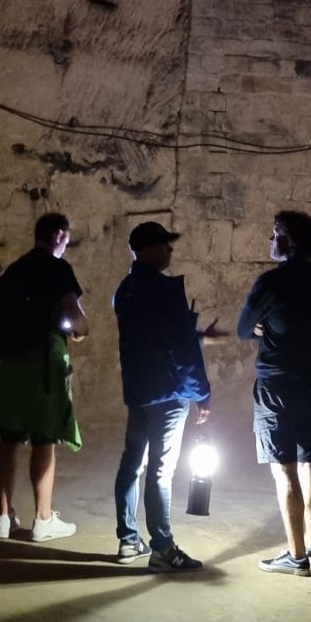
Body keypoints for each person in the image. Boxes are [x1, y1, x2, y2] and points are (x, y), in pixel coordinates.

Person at [113, 221, 214, 572]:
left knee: (132, 464)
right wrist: (202, 393)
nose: (170, 251)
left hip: (139, 391)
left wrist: (190, 331)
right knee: (160, 471)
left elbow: (147, 339)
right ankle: (163, 548)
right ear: (148, 249)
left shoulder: (124, 290)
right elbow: (180, 349)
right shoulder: (165, 290)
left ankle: (128, 541)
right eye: (165, 245)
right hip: (169, 395)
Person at [237, 210, 311, 576]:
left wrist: (261, 328)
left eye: (275, 234)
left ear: (288, 240)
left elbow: (245, 329)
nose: (270, 240)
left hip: (276, 384)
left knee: (284, 470)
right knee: (308, 460)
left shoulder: (270, 283)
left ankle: (295, 558)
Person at [0, 212, 88, 542]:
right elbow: (76, 319)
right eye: (67, 240)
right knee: (45, 440)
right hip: (44, 363)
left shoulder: (15, 270)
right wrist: (79, 331)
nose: (65, 247)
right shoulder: (57, 270)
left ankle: (4, 518)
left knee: (9, 438)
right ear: (59, 235)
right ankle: (43, 519)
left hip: (12, 364)